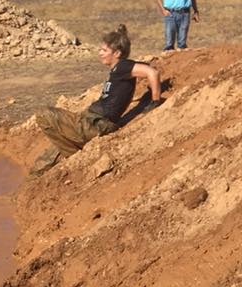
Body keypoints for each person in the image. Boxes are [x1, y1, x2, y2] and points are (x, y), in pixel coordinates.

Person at [31, 25, 162, 175]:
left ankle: (76, 155)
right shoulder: (119, 69)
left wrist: (155, 101)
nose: (100, 53)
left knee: (42, 114)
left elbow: (152, 73)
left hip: (96, 125)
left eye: (104, 50)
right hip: (90, 121)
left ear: (117, 53)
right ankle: (36, 178)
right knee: (45, 160)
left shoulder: (122, 66)